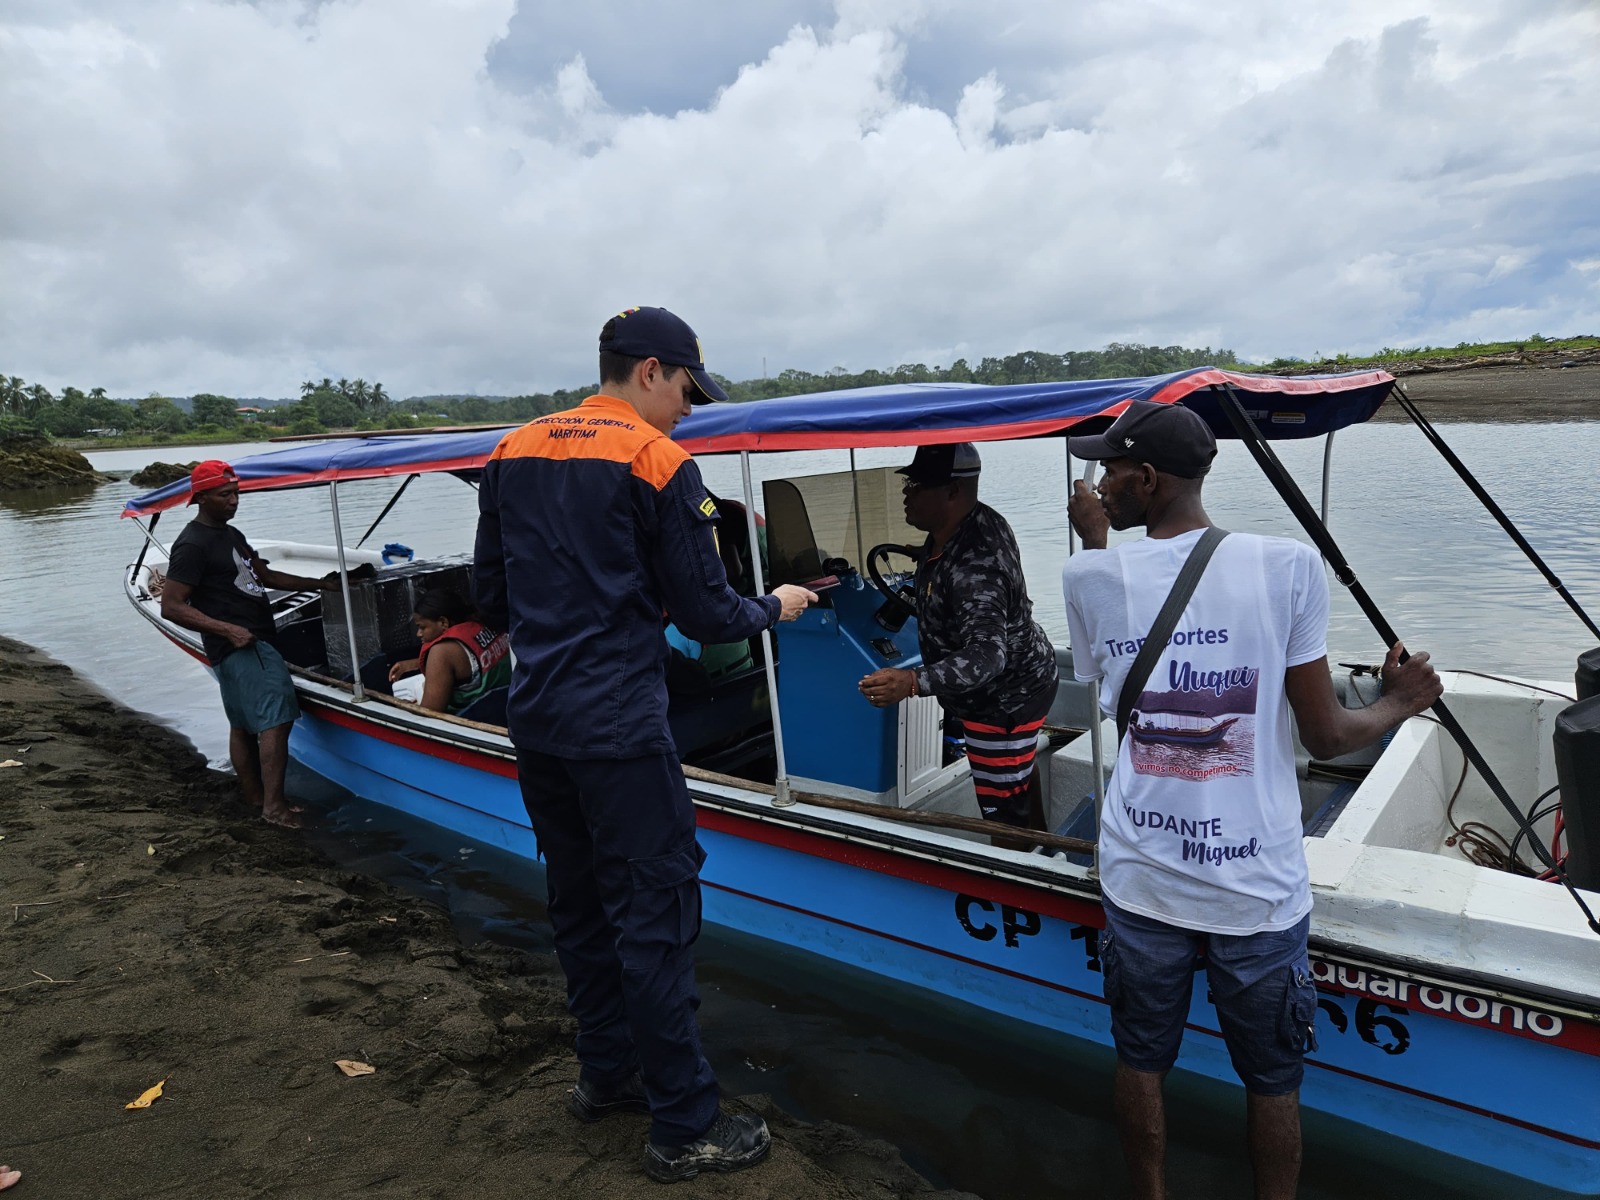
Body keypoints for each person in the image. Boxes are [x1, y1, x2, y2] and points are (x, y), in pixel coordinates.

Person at [1060, 400, 1443, 1200]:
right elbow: (1328, 736)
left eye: (1110, 471)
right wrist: (1401, 701)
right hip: (1257, 888)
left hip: (1142, 876)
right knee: (1273, 1080)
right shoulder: (1288, 566)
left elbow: (1112, 687)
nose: (1098, 486)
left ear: (1146, 478)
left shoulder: (1087, 576)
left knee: (1140, 1061)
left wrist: (1095, 545)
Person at [473, 306, 816, 1183]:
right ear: (652, 371)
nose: (689, 410)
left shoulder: (511, 450)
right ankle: (685, 1126)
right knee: (654, 920)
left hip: (539, 724)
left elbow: (493, 598)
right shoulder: (656, 461)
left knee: (580, 906)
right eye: (688, 391)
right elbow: (706, 614)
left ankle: (606, 1077)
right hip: (620, 733)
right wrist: (776, 605)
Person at [857, 442, 1059, 831]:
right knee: (1015, 782)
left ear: (953, 490)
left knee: (1003, 815)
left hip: (1003, 701)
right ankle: (1042, 847)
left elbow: (987, 655)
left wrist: (911, 681)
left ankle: (1019, 863)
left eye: (917, 485)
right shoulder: (969, 523)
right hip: (1022, 682)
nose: (906, 493)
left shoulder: (975, 565)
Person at [160, 460, 340, 829]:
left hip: (245, 641)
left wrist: (322, 584)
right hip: (243, 645)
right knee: (277, 720)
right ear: (201, 498)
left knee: (242, 725)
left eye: (236, 493)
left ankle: (255, 797)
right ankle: (274, 807)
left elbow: (265, 575)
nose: (234, 501)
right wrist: (228, 630)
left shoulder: (231, 534)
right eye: (224, 495)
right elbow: (172, 606)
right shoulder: (192, 544)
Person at [387, 587, 511, 714]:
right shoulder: (484, 622)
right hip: (505, 706)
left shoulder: (441, 652)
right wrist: (415, 663)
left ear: (443, 622)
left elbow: (429, 713)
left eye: (422, 627)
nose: (419, 634)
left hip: (474, 717)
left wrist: (405, 706)